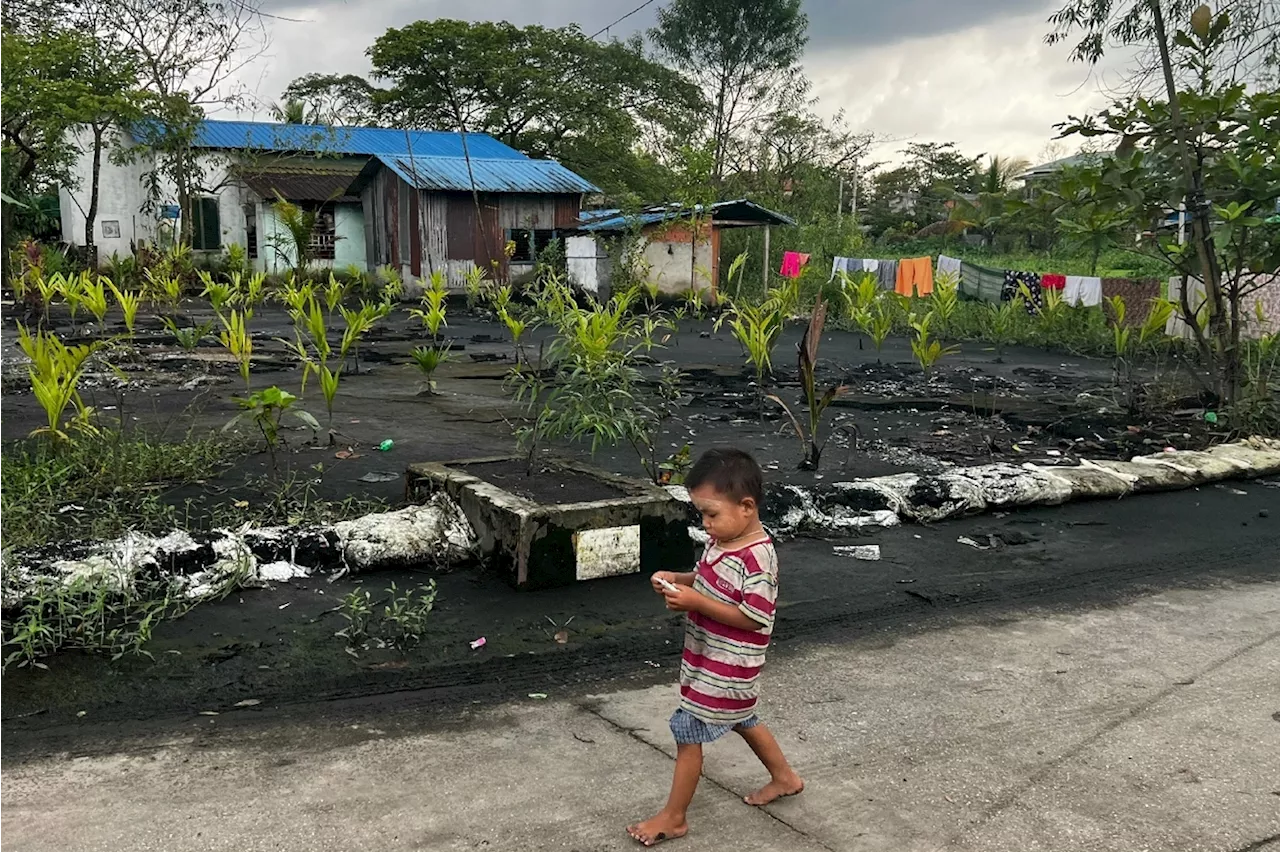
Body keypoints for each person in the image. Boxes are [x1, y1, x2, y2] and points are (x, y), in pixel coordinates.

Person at [627, 448, 804, 847]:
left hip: (729, 665)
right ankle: (785, 778)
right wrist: (681, 580)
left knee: (687, 729)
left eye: (711, 514)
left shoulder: (758, 558)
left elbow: (753, 616)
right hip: (712, 659)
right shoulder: (724, 540)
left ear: (746, 507)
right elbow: (708, 579)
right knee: (744, 718)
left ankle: (674, 817)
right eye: (701, 515)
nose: (705, 524)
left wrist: (696, 603)